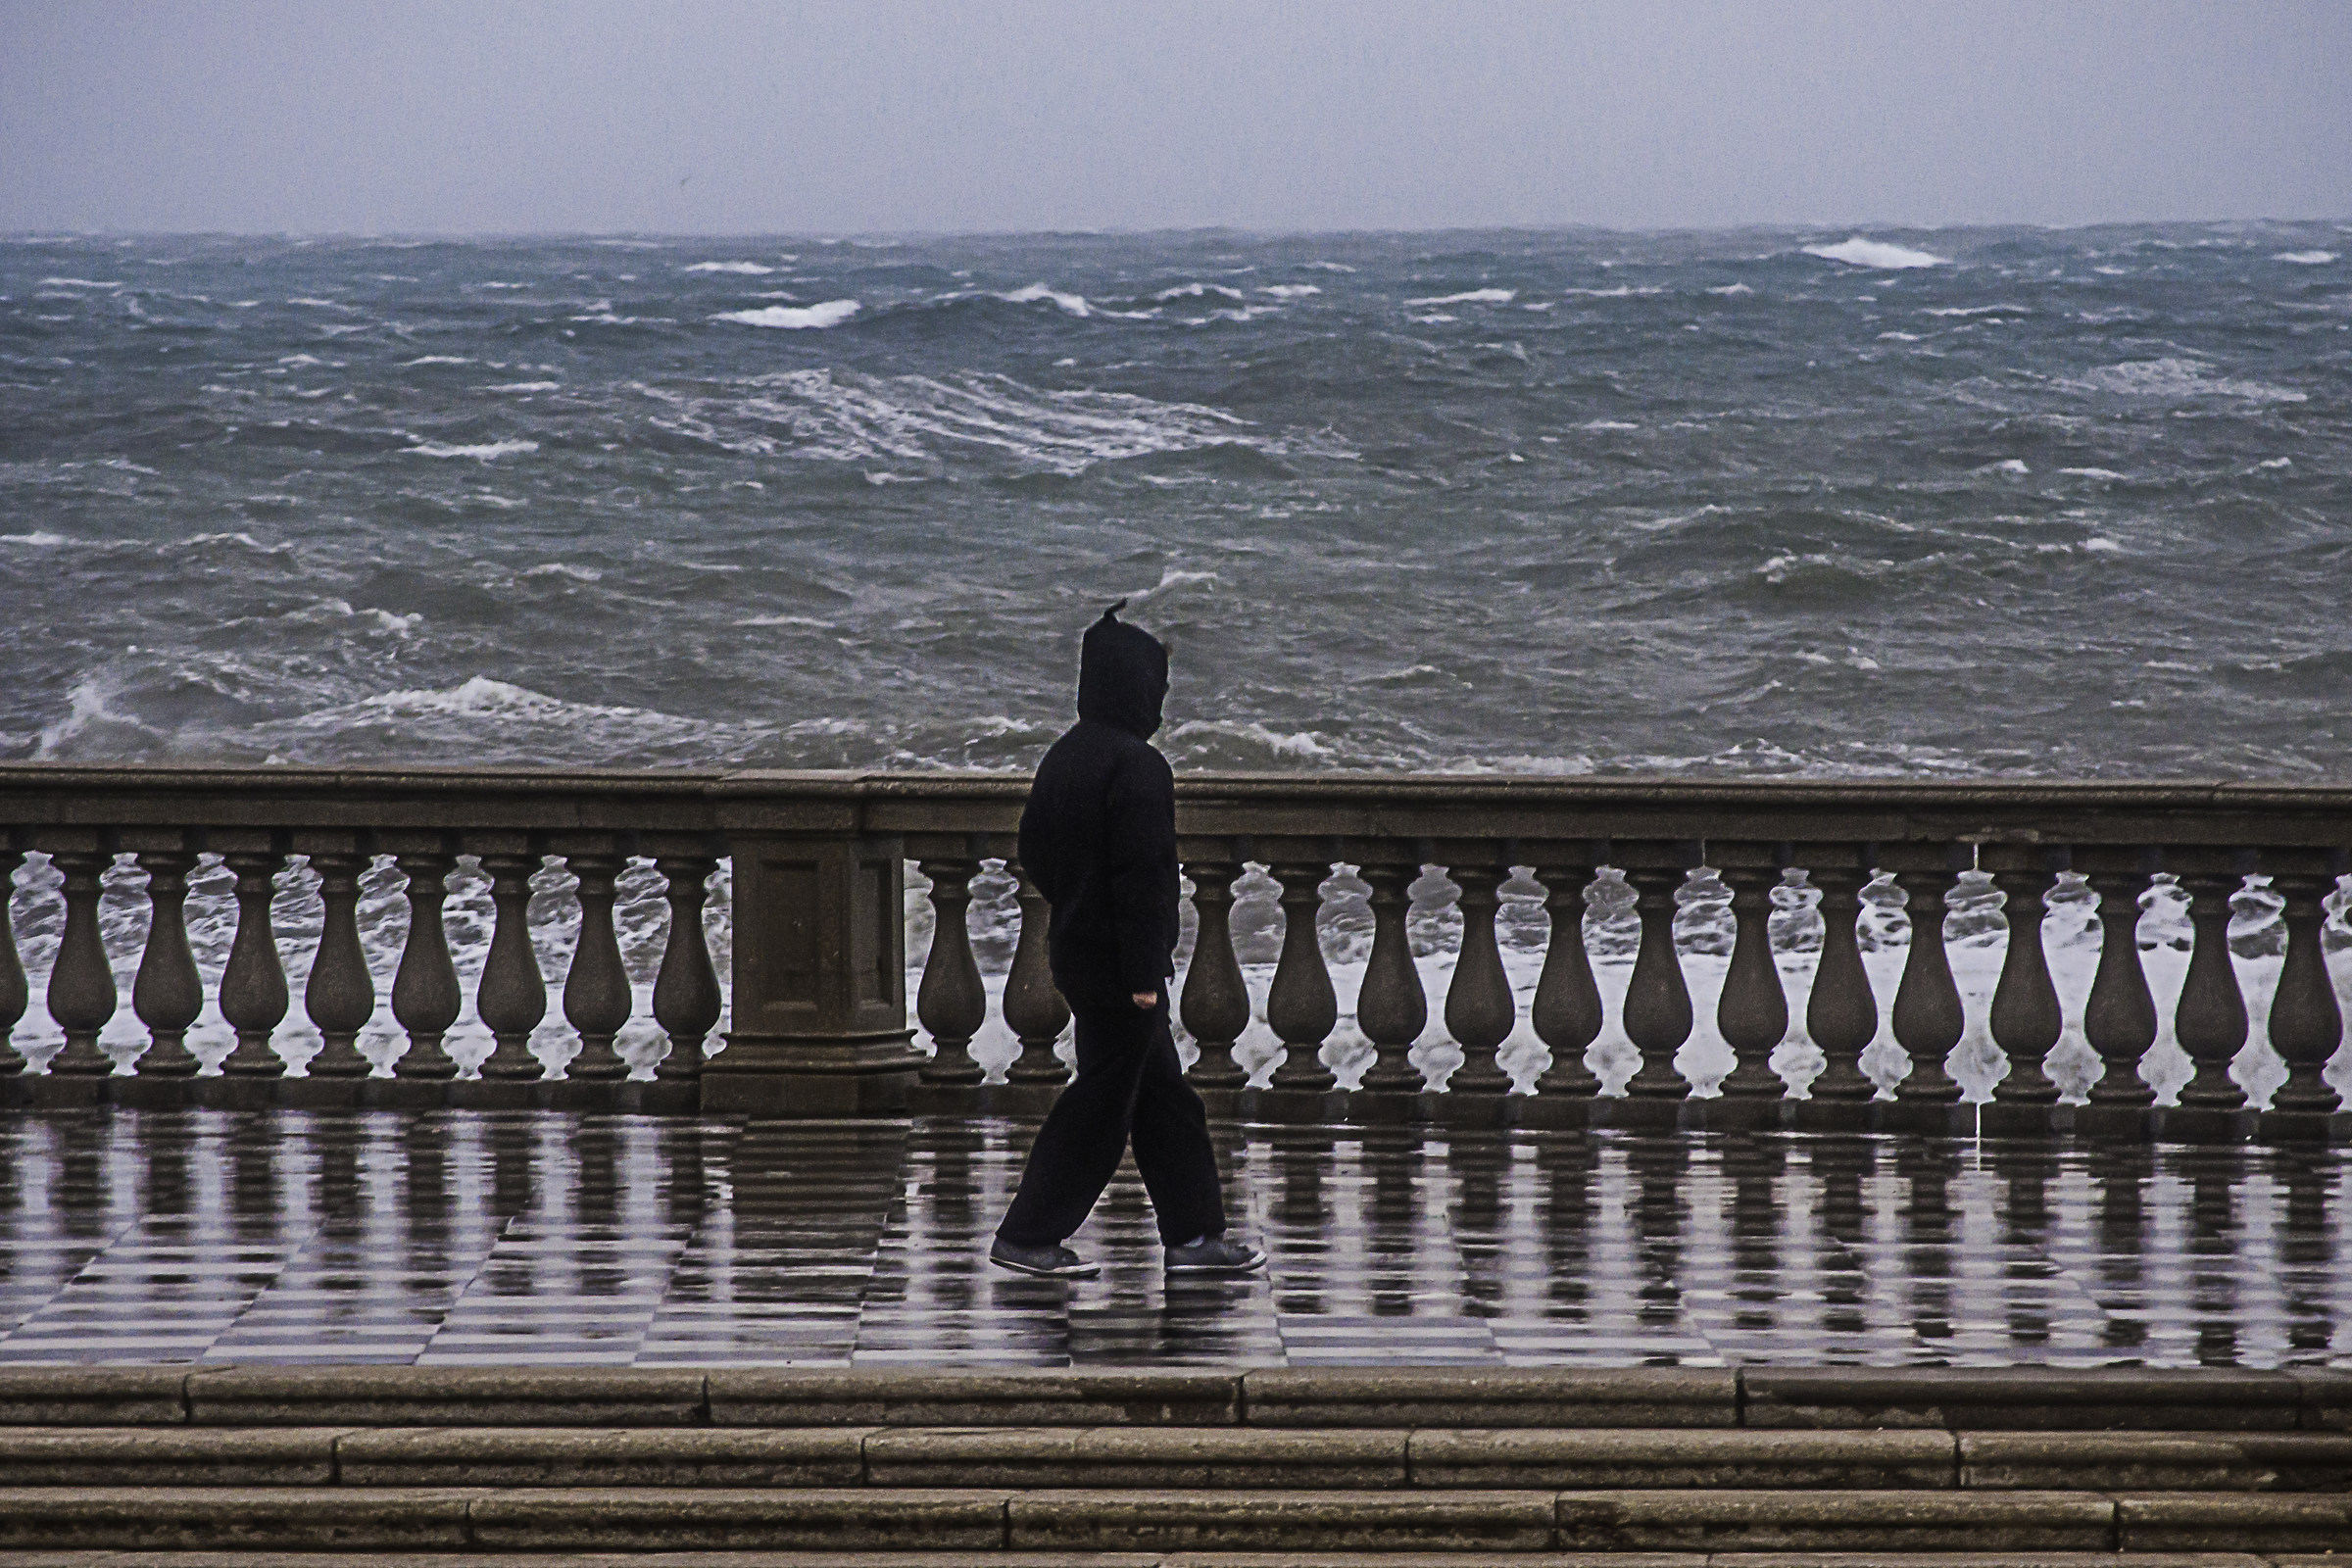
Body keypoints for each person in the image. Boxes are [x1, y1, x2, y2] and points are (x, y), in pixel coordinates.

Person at [989, 603, 1266, 1281]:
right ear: (1135, 688)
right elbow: (1144, 879)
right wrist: (1145, 972)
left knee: (1165, 1099)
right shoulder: (1138, 765)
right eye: (1156, 689)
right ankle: (1028, 1235)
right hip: (1122, 969)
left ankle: (1196, 1237)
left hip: (1079, 955)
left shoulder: (1066, 755)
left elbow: (1035, 849)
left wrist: (1077, 908)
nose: (1160, 705)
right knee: (1101, 1107)